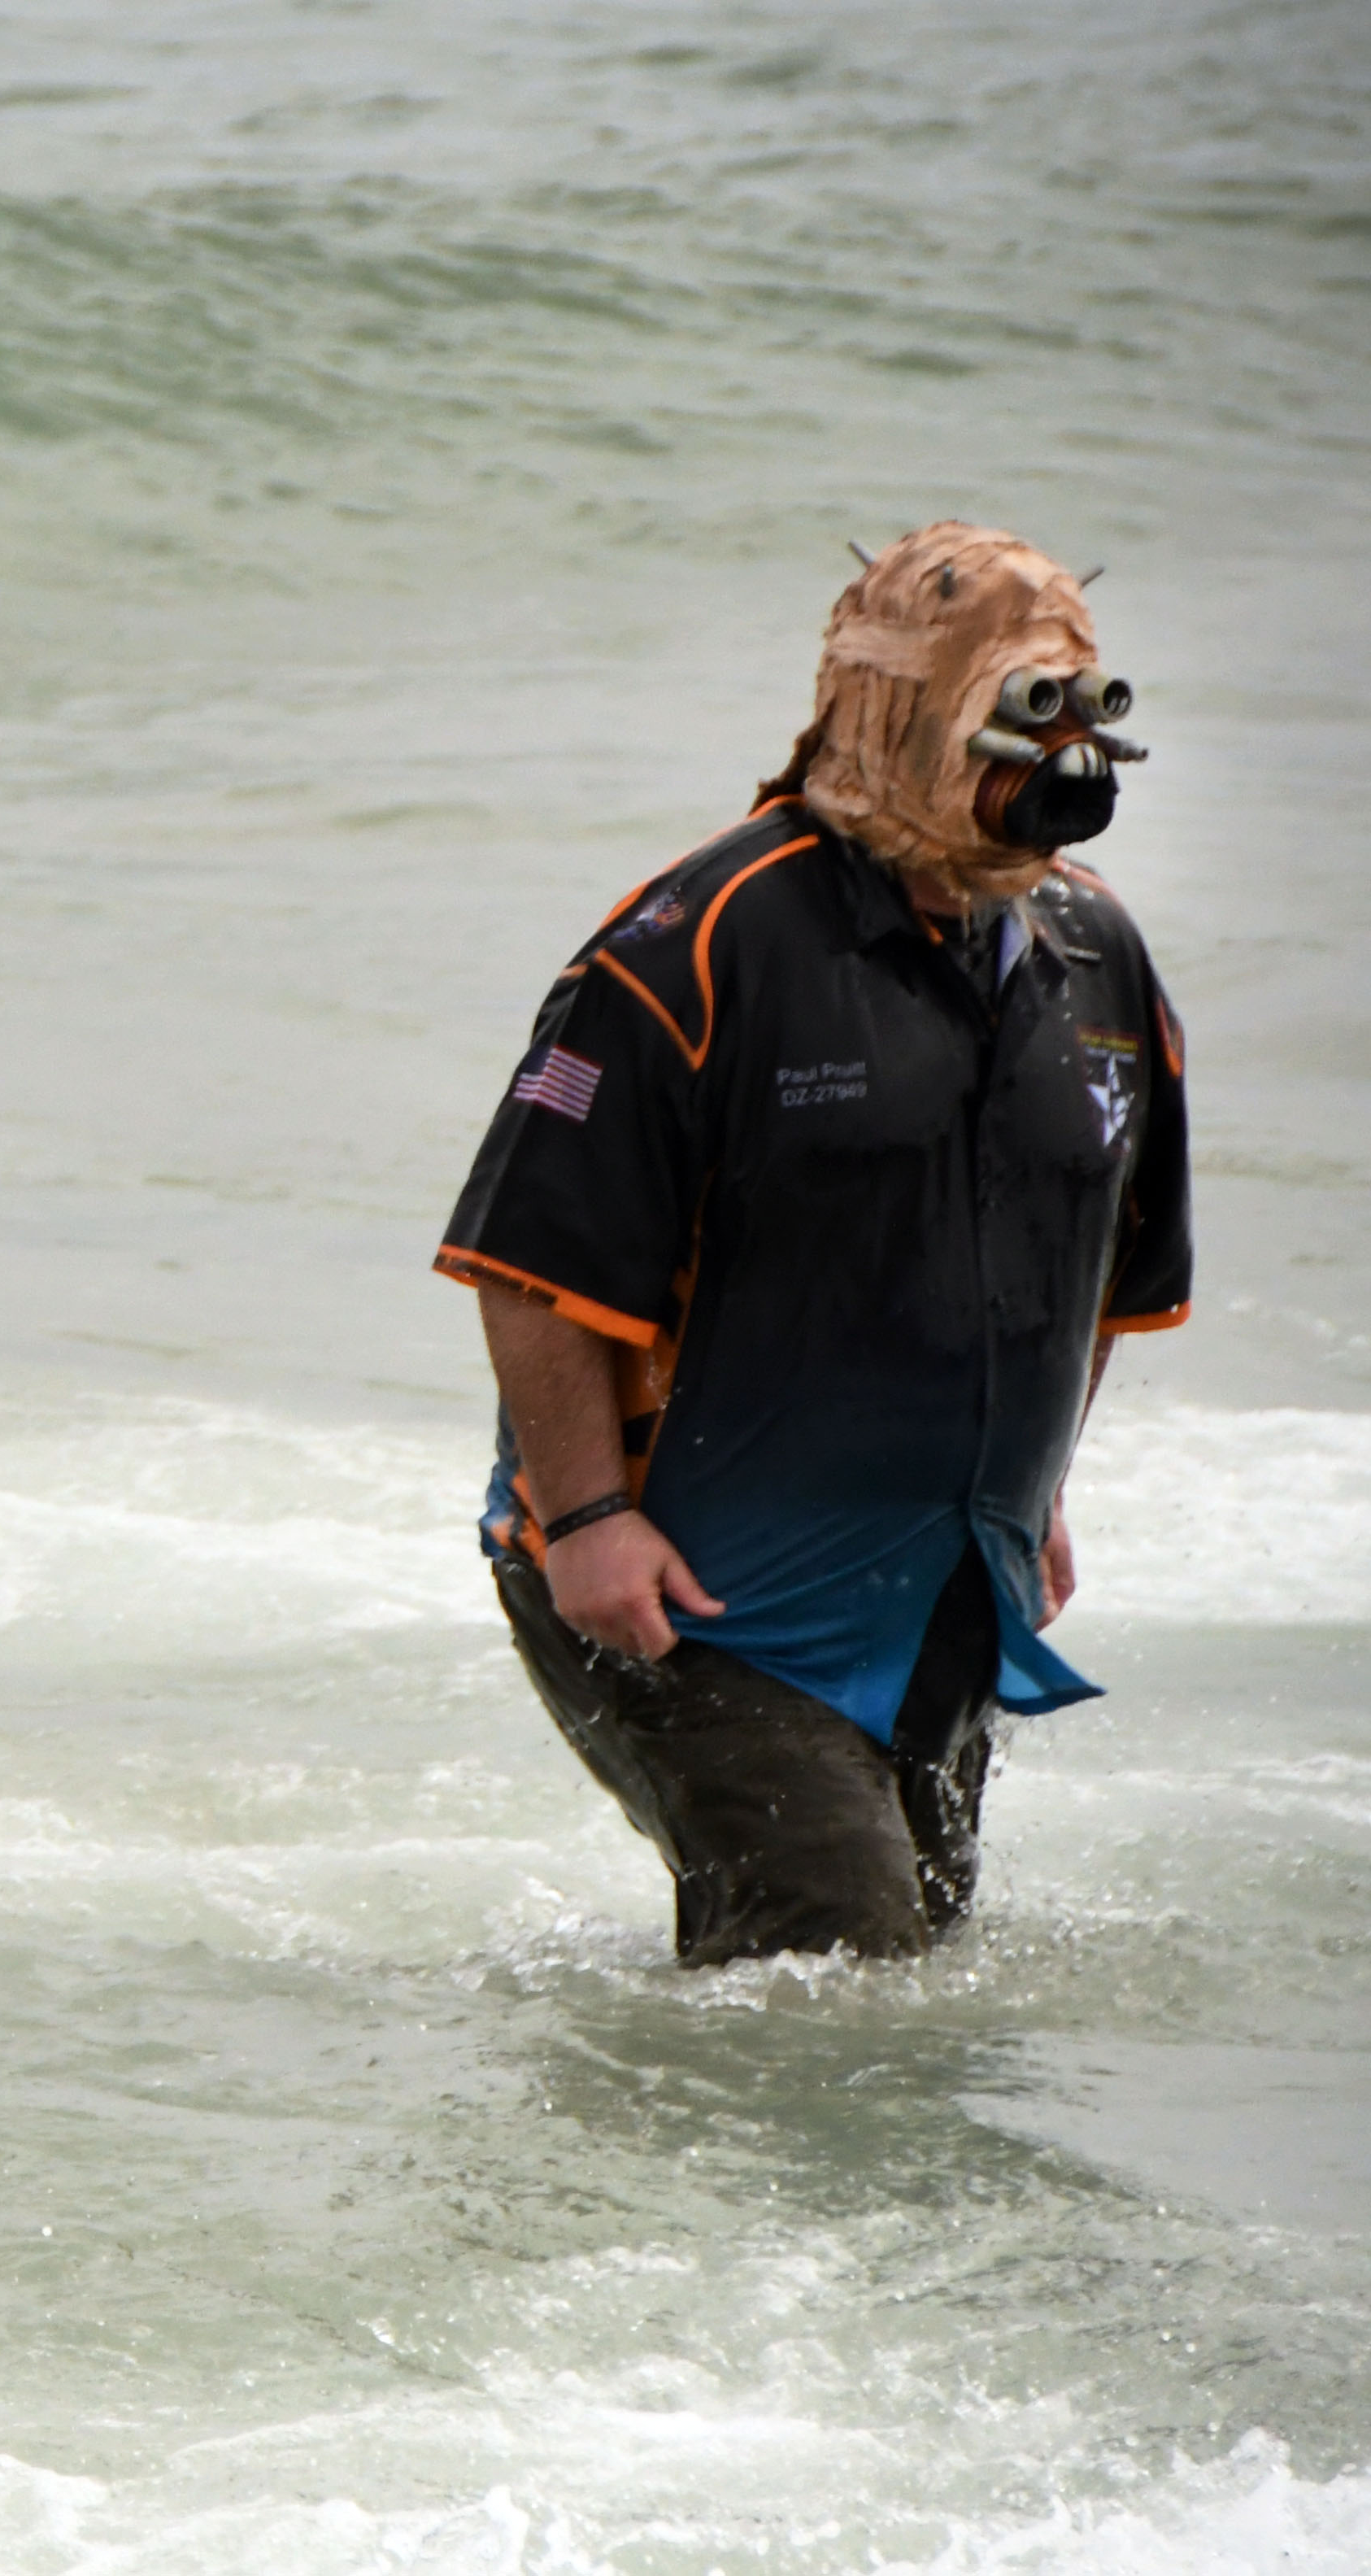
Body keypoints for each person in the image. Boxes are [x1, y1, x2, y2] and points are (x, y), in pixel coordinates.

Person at [434, 523, 1190, 1966]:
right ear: (904, 709)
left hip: (940, 1586)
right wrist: (586, 1519)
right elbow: (525, 1260)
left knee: (912, 1976)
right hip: (690, 1588)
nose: (1070, 757)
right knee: (837, 1956)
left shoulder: (1099, 956)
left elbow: (1096, 1274)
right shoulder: (697, 938)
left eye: (1087, 707)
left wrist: (1019, 1491)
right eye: (1028, 712)